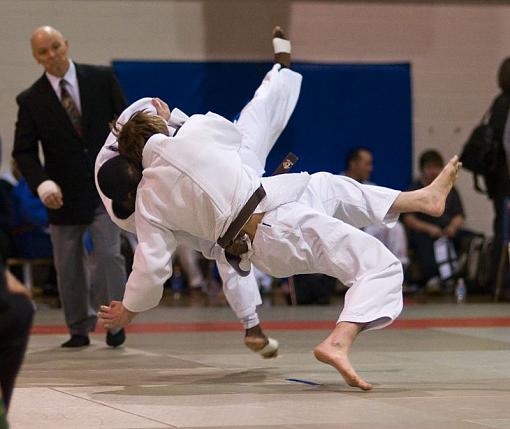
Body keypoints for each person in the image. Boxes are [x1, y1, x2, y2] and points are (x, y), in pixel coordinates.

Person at [97, 27, 462, 390]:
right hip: (275, 228)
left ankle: (420, 199)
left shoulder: (147, 203)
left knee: (329, 186)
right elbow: (233, 132)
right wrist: (174, 117)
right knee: (379, 263)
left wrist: (129, 309)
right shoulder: (189, 138)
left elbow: (151, 265)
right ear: (156, 127)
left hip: (269, 215)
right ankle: (339, 341)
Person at [12, 26, 127, 348]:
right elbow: (23, 152)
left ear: (66, 45)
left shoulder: (102, 79)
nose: (52, 56)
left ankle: (115, 322)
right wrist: (42, 183)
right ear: (36, 58)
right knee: (68, 264)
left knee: (108, 255)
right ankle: (78, 327)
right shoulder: (31, 99)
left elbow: (125, 124)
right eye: (43, 52)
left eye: (55, 47)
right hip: (60, 194)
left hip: (105, 186)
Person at [402, 150, 465, 290]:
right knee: (422, 240)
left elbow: (459, 215)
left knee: (470, 238)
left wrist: (452, 228)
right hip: (425, 230)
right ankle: (433, 278)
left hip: (447, 229)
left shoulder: (449, 188)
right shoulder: (414, 188)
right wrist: (429, 229)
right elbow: (408, 218)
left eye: (437, 167)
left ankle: (459, 278)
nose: (433, 172)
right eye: (429, 167)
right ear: (422, 170)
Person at [344, 147, 409, 268]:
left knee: (396, 227)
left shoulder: (371, 186)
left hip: (369, 229)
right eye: (367, 164)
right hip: (346, 231)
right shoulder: (338, 183)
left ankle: (400, 268)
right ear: (353, 164)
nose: (370, 168)